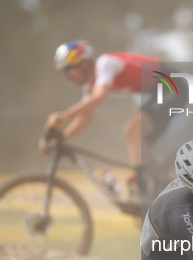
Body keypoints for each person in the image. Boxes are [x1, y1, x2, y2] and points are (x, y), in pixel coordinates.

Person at [41, 40, 184, 192]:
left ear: (83, 63)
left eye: (67, 70)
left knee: (133, 130)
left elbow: (99, 98)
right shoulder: (90, 84)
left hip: (174, 85)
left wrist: (63, 116)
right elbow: (85, 117)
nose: (66, 77)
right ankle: (161, 187)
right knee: (143, 147)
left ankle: (144, 194)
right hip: (161, 91)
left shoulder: (104, 64)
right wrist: (62, 138)